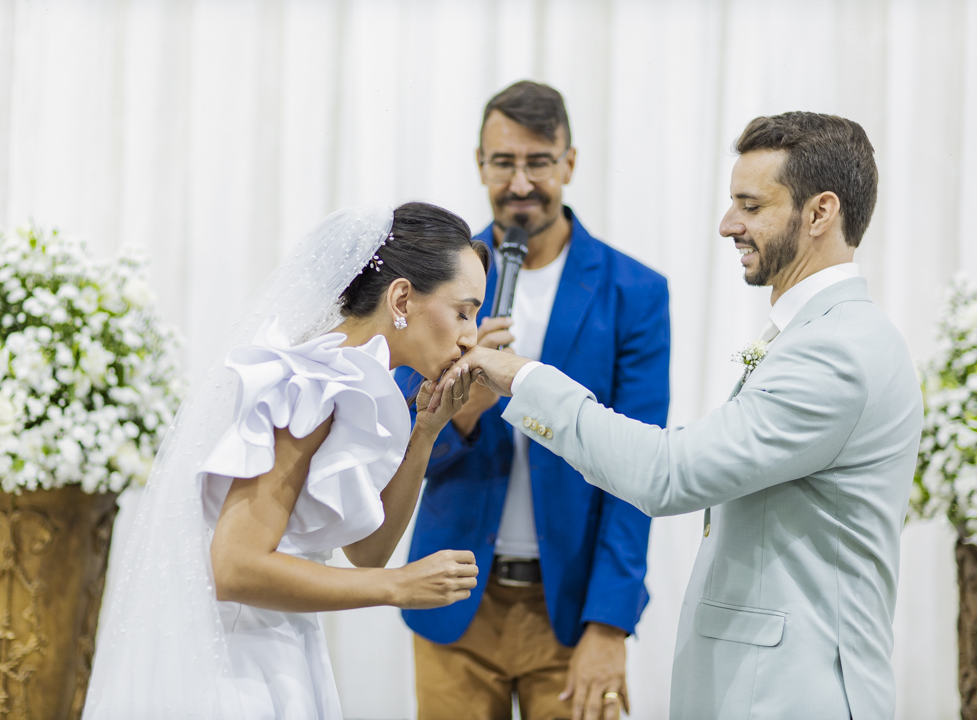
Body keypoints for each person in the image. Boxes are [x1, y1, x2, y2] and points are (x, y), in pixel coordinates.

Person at [439, 112, 923, 720]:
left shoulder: (838, 351)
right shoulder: (821, 335)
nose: (728, 225)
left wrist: (520, 379)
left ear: (820, 213)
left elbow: (668, 474)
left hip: (791, 693)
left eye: (750, 205)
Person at [84, 203, 490, 719]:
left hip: (283, 644)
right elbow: (234, 566)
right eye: (463, 311)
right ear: (402, 297)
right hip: (238, 664)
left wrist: (426, 435)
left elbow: (367, 552)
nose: (471, 336)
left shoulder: (350, 380)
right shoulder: (311, 383)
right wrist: (398, 588)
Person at [397, 81, 670, 720]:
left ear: (569, 163)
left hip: (572, 611)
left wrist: (610, 625)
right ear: (480, 164)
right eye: (503, 162)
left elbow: (643, 468)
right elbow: (400, 449)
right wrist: (462, 407)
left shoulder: (635, 292)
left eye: (539, 162)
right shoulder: (439, 282)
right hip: (453, 602)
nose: (520, 182)